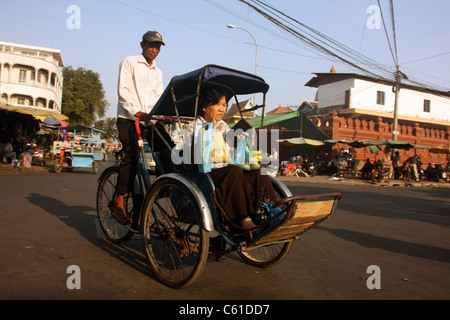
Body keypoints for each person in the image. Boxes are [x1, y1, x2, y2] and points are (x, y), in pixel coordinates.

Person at [187, 87, 277, 233]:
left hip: (229, 168)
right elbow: (194, 156)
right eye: (217, 104)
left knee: (259, 172)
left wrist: (238, 141)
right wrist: (211, 131)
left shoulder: (225, 126)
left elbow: (232, 150)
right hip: (208, 173)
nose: (221, 109)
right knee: (234, 171)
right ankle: (244, 219)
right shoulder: (193, 127)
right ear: (204, 106)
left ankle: (275, 212)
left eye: (224, 105)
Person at [114, 30, 165, 224]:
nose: (154, 49)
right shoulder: (129, 62)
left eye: (158, 46)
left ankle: (167, 187)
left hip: (148, 120)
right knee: (132, 153)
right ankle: (119, 198)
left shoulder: (158, 71)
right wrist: (136, 112)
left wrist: (160, 116)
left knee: (168, 148)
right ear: (142, 45)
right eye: (151, 45)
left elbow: (157, 98)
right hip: (128, 117)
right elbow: (123, 91)